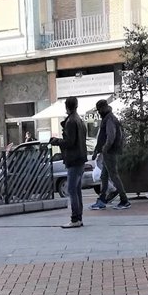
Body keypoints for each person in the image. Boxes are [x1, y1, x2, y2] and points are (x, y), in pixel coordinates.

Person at [49, 96, 88, 228]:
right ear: (76, 105)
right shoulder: (79, 120)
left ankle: (75, 218)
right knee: (76, 190)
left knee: (72, 189)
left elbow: (70, 142)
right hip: (81, 158)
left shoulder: (71, 121)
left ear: (66, 106)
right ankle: (79, 217)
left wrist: (57, 141)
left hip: (74, 159)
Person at [89, 100, 130, 210]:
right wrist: (98, 150)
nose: (98, 112)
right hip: (109, 151)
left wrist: (104, 148)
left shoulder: (109, 119)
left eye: (99, 110)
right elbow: (103, 137)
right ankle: (102, 199)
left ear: (103, 108)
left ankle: (124, 200)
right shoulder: (108, 118)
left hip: (110, 152)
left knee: (113, 175)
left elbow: (110, 136)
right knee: (104, 176)